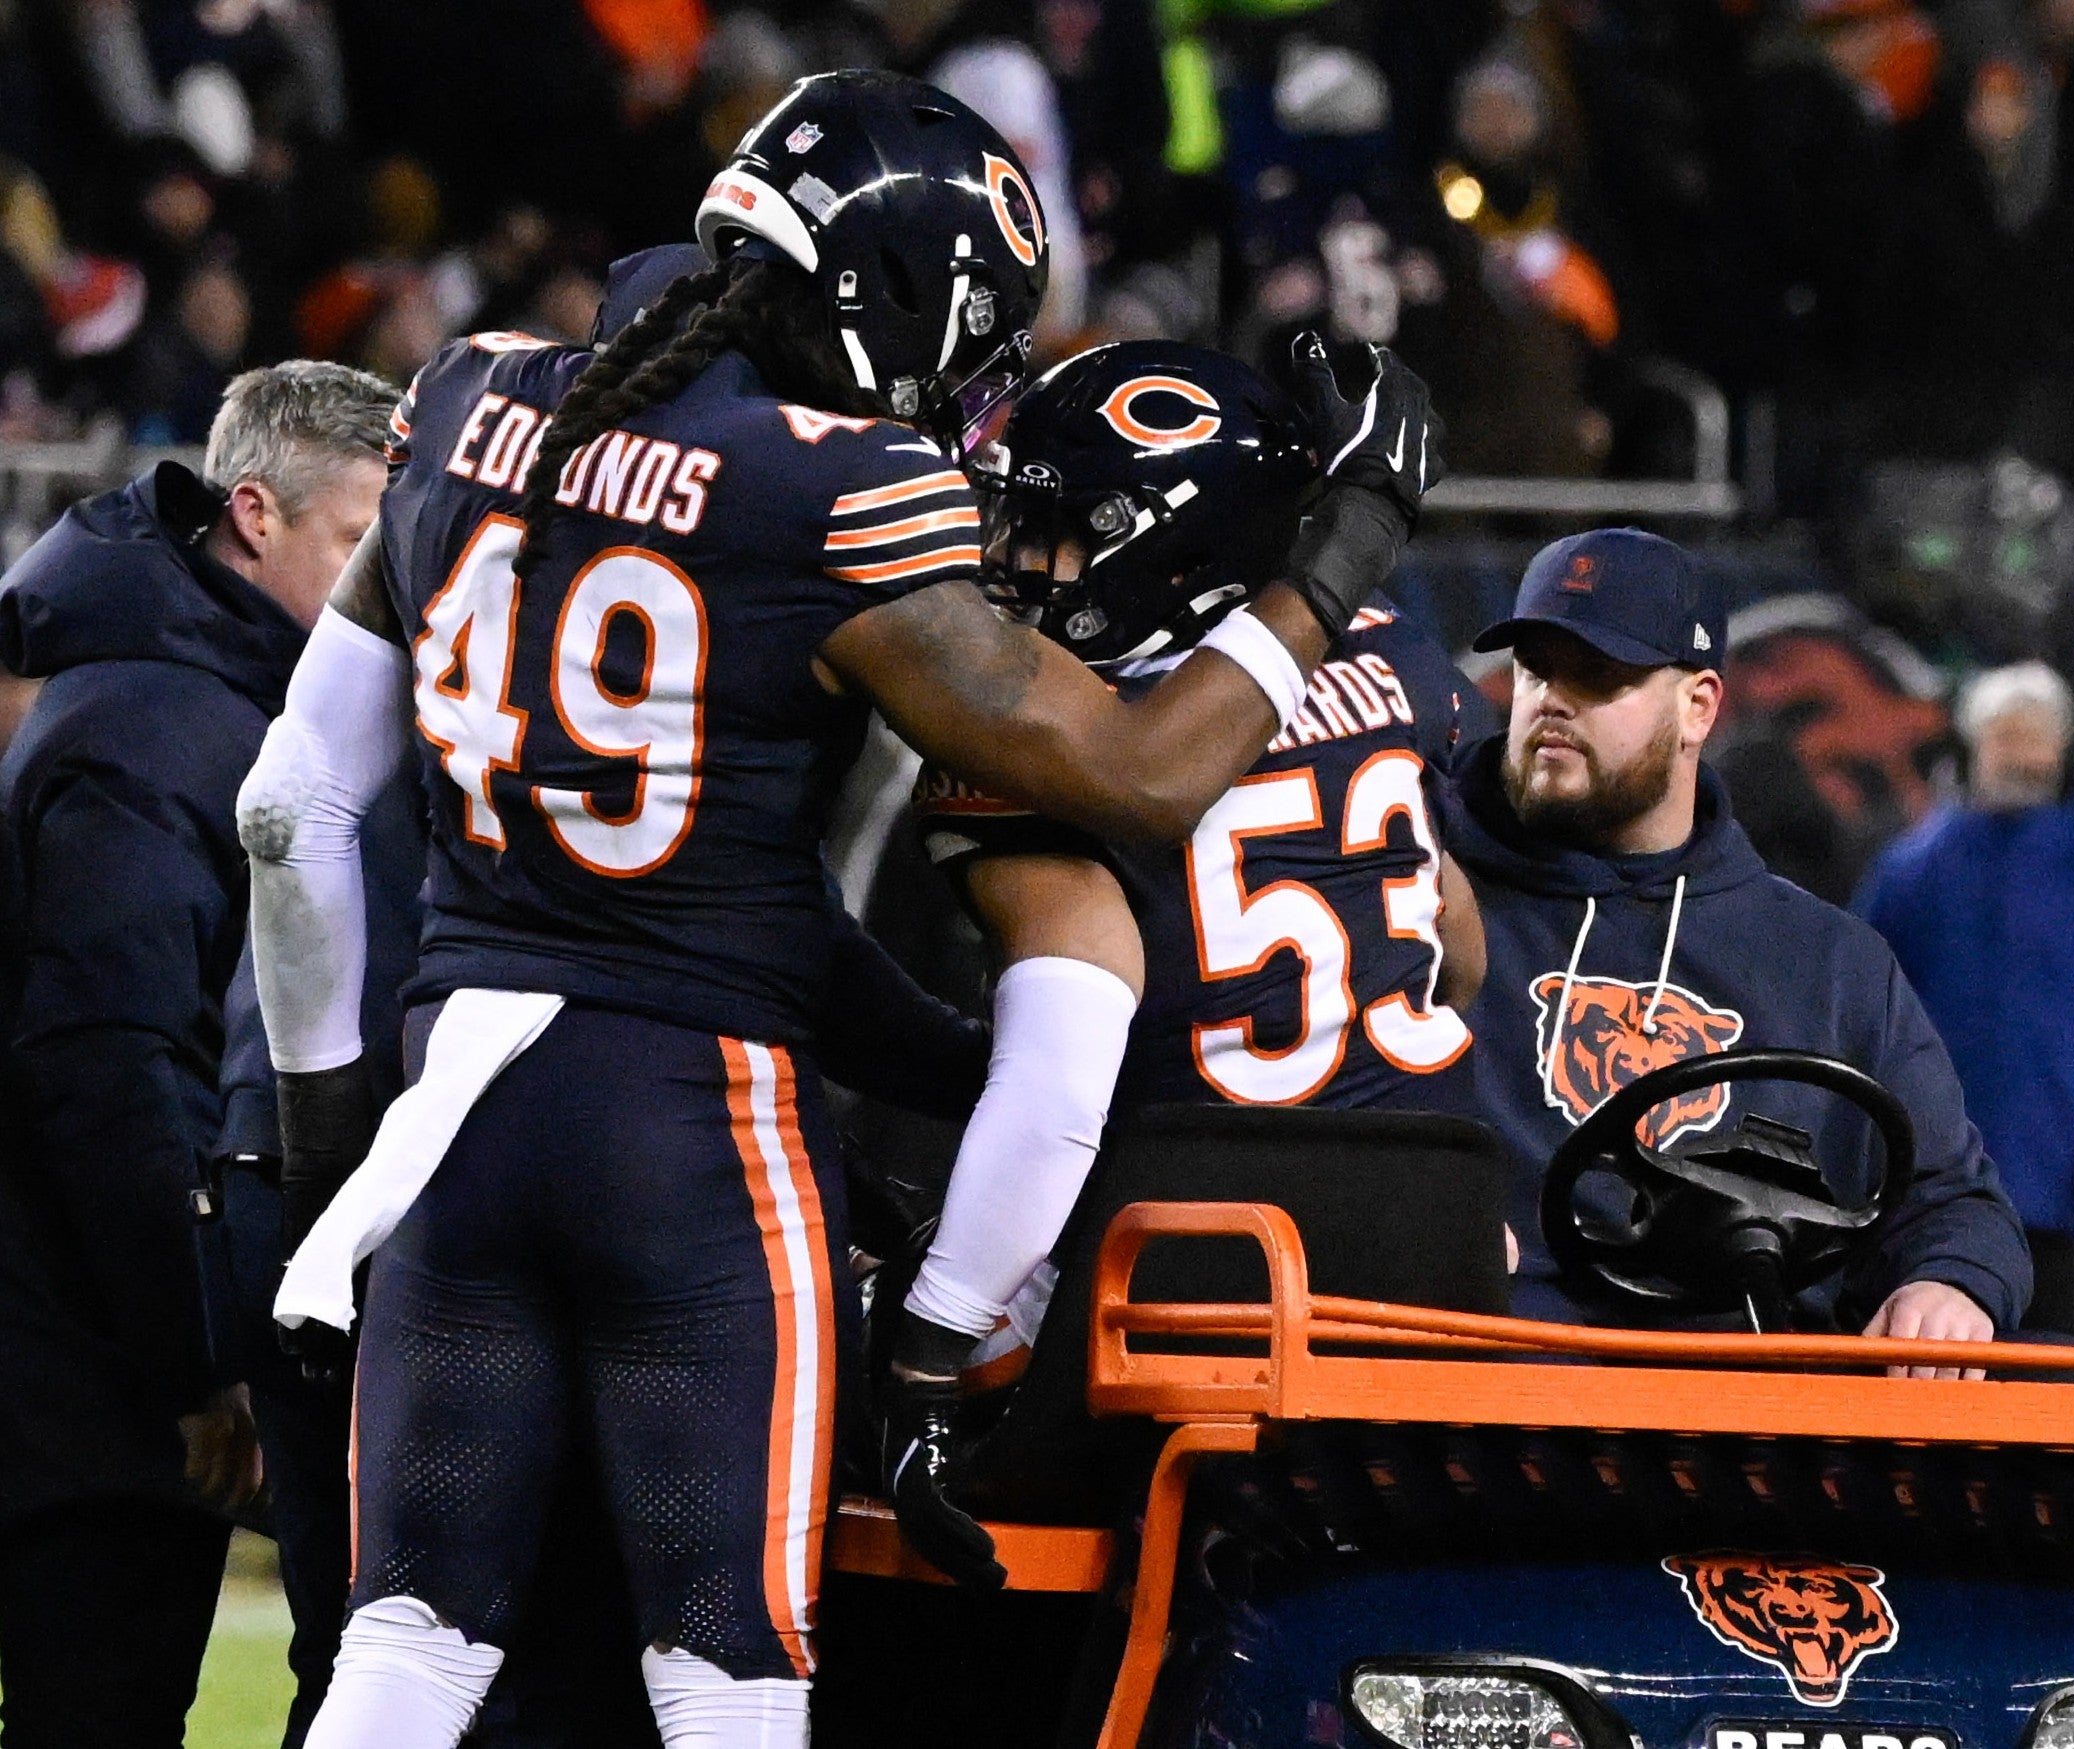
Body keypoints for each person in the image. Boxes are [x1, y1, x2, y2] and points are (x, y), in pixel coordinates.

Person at [240, 70, 1440, 1749]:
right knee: (730, 1660)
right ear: (888, 304)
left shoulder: (463, 399)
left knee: (411, 1642)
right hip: (688, 1124)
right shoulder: (833, 484)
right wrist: (1344, 547)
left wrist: (321, 1125)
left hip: (456, 1099)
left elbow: (292, 807)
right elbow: (1142, 776)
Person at [888, 339, 1486, 1584]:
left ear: (1172, 547)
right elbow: (1460, 953)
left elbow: (1059, 1076)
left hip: (1180, 1280)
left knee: (858, 1303)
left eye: (1053, 534)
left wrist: (928, 1350)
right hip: (1434, 1267)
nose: (1013, 564)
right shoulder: (1400, 663)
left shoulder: (1055, 749)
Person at [0, 359, 392, 1748]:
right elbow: (108, 1067)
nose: (384, 588)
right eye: (360, 544)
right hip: (81, 1392)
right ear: (254, 515)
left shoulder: (183, 703)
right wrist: (198, 1360)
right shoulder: (164, 729)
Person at [1446, 528, 2033, 1368]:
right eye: (1537, 668)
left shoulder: (1825, 962)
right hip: (1477, 1397)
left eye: (1600, 675)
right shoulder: (1416, 898)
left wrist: (1950, 1282)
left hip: (1741, 1417)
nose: (1551, 700)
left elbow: (1953, 1198)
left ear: (1699, 706)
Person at [1854, 661, 2074, 1345]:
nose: (2022, 752)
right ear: (1974, 742)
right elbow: (1861, 1006)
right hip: (1934, 1195)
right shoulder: (1914, 871)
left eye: (2036, 736)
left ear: (2061, 748)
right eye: (2006, 734)